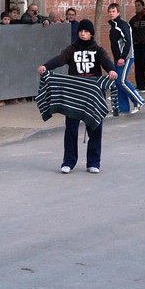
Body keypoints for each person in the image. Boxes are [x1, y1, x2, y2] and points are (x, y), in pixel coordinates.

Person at [37, 19, 118, 174]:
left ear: (91, 33)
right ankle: (68, 161)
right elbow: (60, 59)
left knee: (95, 127)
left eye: (86, 31)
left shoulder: (97, 50)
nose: (83, 33)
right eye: (81, 31)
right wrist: (46, 66)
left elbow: (106, 62)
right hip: (74, 94)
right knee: (71, 129)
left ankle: (93, 162)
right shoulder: (71, 49)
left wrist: (111, 70)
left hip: (93, 94)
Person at [108, 3, 145, 114]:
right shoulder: (114, 26)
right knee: (117, 82)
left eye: (113, 11)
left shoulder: (122, 25)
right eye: (110, 11)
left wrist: (123, 57)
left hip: (126, 57)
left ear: (118, 12)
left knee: (121, 81)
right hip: (118, 58)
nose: (111, 13)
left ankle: (139, 101)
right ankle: (123, 107)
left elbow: (128, 41)